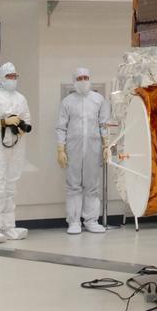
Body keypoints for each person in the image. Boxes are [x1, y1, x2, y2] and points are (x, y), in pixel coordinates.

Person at [0, 61, 31, 244]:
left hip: (16, 146)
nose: (12, 80)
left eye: (14, 76)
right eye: (9, 76)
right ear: (1, 78)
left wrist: (21, 127)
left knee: (10, 187)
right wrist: (3, 122)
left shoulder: (21, 99)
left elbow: (27, 119)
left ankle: (8, 226)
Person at [55, 68, 110, 234]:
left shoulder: (98, 99)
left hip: (93, 148)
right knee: (73, 185)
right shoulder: (68, 102)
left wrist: (107, 145)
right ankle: (74, 222)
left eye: (86, 77)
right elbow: (61, 127)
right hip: (73, 149)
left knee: (92, 185)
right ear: (74, 81)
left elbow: (104, 124)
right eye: (80, 78)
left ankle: (91, 220)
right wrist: (60, 149)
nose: (84, 81)